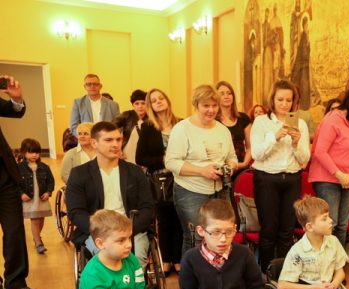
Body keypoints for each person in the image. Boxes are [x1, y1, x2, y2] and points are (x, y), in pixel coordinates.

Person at [66, 121, 155, 264]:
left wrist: (129, 229)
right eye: (108, 140)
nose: (115, 144)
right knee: (106, 259)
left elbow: (147, 207)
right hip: (98, 231)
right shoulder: (79, 174)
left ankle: (134, 279)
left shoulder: (135, 172)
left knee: (136, 258)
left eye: (118, 140)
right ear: (94, 143)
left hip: (131, 230)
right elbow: (76, 212)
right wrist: (100, 230)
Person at [165, 85, 238, 254]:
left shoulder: (223, 130)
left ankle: (218, 269)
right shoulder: (182, 129)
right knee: (196, 237)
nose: (211, 110)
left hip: (220, 190)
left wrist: (229, 167)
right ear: (196, 105)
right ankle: (193, 271)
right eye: (206, 106)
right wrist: (202, 171)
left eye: (214, 105)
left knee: (221, 235)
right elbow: (171, 162)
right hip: (190, 191)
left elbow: (232, 158)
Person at [250, 80, 310, 273]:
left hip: (292, 178)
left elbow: (304, 159)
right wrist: (274, 137)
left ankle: (284, 274)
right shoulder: (261, 122)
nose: (285, 104)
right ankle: (266, 274)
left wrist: (296, 143)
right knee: (269, 230)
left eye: (289, 100)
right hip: (266, 179)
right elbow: (256, 154)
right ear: (272, 100)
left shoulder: (300, 123)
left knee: (287, 231)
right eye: (280, 100)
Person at [308, 84, 349, 247]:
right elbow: (320, 151)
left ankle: (338, 260)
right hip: (327, 179)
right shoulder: (333, 119)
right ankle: (325, 260)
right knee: (331, 223)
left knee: (343, 225)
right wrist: (338, 174)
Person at [0, 75, 46, 289]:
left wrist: (17, 99)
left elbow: (15, 110)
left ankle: (15, 283)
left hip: (4, 176)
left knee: (14, 232)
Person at [136, 88, 184, 273]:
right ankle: (166, 259)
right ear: (150, 106)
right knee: (164, 220)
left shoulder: (181, 123)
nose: (158, 102)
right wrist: (162, 160)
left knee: (180, 218)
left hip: (183, 176)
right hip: (160, 180)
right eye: (154, 100)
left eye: (161, 98)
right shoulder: (148, 127)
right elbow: (140, 158)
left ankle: (178, 259)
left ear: (167, 100)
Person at [18, 138, 54, 254]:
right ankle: (38, 243)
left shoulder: (44, 167)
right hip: (29, 199)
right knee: (35, 220)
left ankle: (36, 236)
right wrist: (21, 194)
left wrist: (48, 192)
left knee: (41, 219)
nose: (34, 155)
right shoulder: (19, 168)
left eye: (37, 152)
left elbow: (51, 181)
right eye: (31, 152)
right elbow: (15, 183)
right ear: (24, 152)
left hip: (41, 198)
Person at [216, 81, 252, 170]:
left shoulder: (243, 118)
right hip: (221, 167)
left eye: (229, 93)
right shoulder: (214, 120)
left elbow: (250, 147)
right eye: (222, 94)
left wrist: (244, 163)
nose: (226, 96)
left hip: (242, 166)